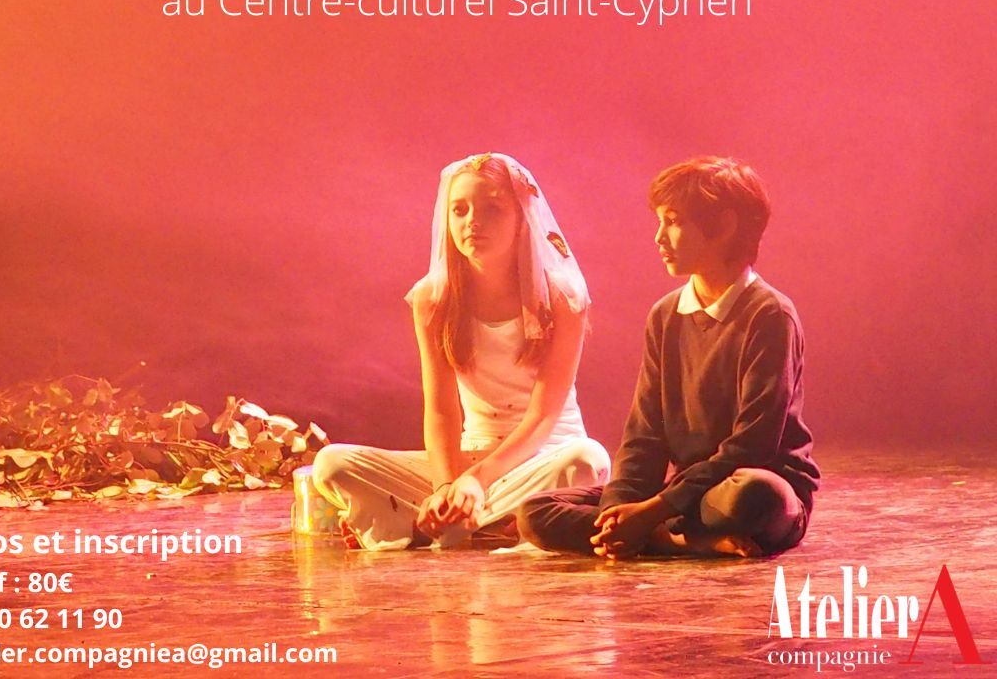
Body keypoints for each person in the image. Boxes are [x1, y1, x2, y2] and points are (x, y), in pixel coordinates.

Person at [518, 156, 819, 559]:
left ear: (725, 226)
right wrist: (618, 514)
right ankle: (676, 539)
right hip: (684, 494)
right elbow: (644, 435)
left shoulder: (769, 314)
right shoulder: (666, 315)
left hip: (742, 488)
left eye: (673, 222)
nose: (659, 237)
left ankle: (663, 531)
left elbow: (753, 446)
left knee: (753, 495)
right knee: (535, 513)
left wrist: (654, 510)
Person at [312, 153, 610, 551]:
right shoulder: (433, 298)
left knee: (587, 460)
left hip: (546, 455)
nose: (472, 221)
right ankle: (489, 522)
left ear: (522, 218)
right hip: (470, 459)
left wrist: (476, 482)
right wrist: (446, 486)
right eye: (460, 210)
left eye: (491, 209)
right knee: (332, 463)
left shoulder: (561, 296)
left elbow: (544, 415)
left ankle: (437, 526)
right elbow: (440, 410)